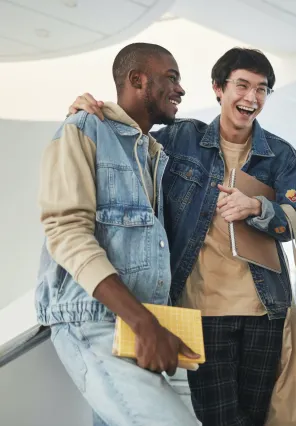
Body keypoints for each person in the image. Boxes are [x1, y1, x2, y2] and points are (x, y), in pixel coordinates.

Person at [69, 47, 296, 426]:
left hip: (265, 312)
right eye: (242, 86)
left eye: (262, 90)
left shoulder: (281, 156)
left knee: (257, 417)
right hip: (203, 313)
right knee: (220, 420)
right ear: (218, 88)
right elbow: (128, 138)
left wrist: (258, 209)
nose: (251, 98)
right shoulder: (181, 139)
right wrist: (89, 111)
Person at [36, 43, 200, 426]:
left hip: (135, 328)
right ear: (137, 80)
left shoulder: (152, 153)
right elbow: (66, 233)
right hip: (95, 323)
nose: (180, 89)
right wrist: (144, 322)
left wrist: (148, 324)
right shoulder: (83, 129)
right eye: (171, 78)